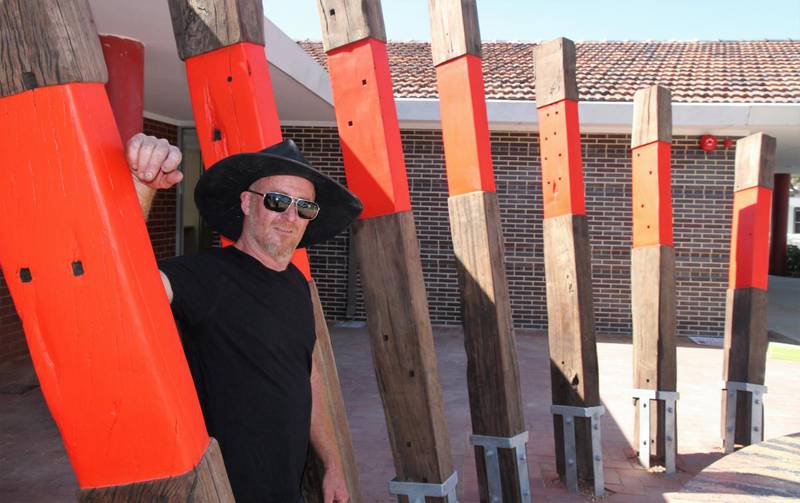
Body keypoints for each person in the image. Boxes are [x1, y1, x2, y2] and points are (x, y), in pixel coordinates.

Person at [126, 133, 362, 503]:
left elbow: (306, 374)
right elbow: (121, 289)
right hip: (219, 492)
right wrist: (141, 187)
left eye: (304, 207)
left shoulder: (297, 284)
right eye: (278, 200)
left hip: (285, 489)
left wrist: (333, 464)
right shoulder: (200, 276)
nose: (290, 216)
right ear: (247, 204)